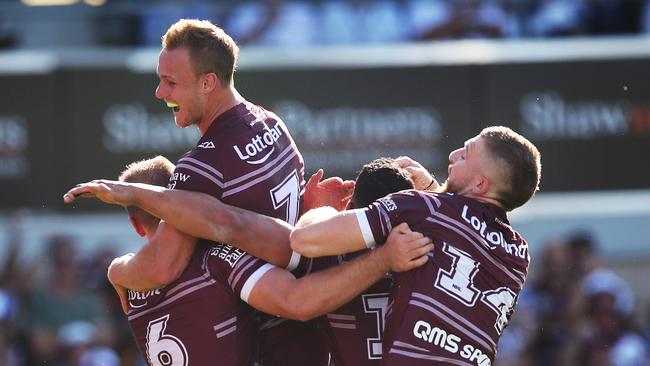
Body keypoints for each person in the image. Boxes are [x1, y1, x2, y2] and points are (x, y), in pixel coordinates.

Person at [104, 18, 339, 365]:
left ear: (208, 82)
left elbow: (163, 266)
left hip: (266, 346)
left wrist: (116, 270)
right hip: (311, 340)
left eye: (170, 82)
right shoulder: (275, 124)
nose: (160, 93)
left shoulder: (204, 165)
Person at [67, 156, 431, 366]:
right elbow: (297, 299)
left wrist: (116, 269)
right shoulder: (218, 260)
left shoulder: (131, 279)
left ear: (134, 223)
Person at [290, 126, 542, 365]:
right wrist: (436, 189)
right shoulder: (517, 255)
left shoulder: (423, 209)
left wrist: (323, 208)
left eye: (465, 155)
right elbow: (465, 224)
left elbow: (304, 238)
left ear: (479, 184)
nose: (453, 156)